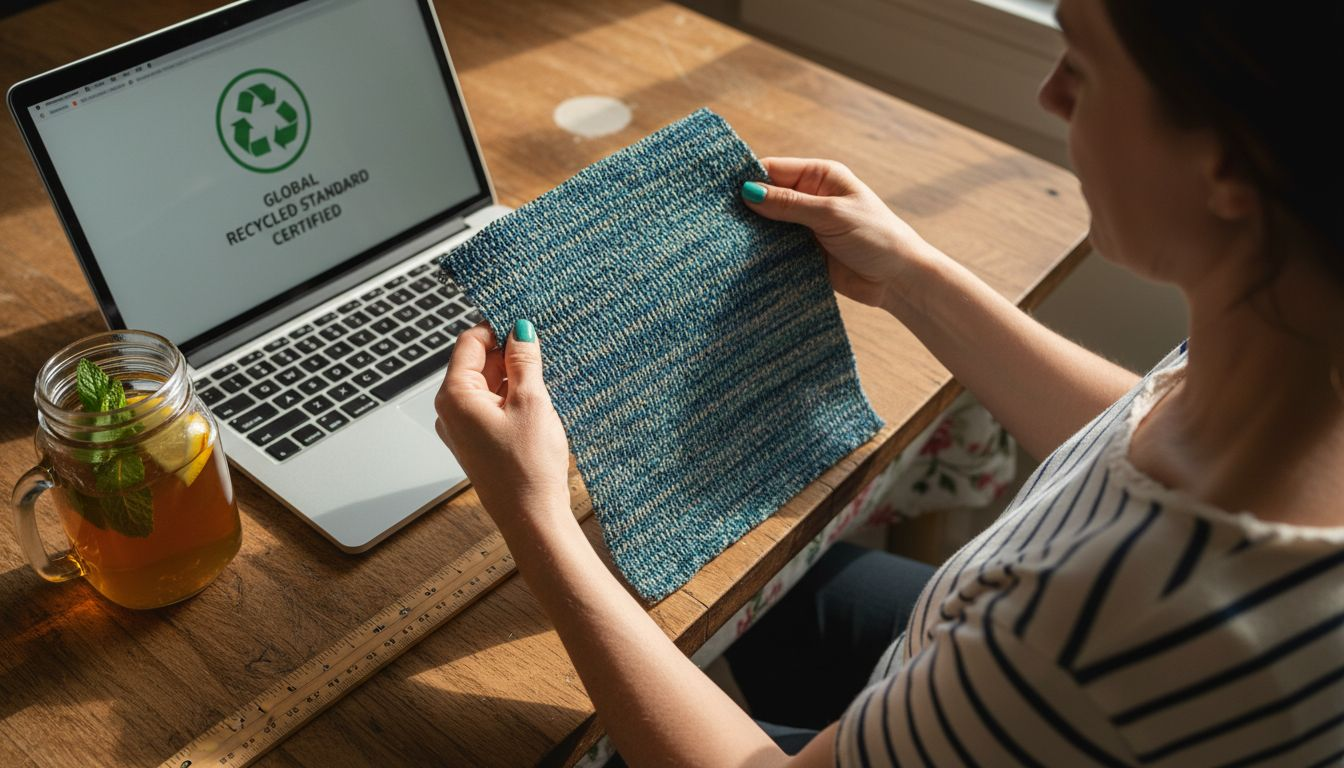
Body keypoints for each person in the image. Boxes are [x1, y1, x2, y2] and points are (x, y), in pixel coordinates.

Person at [433, 0, 1344, 764]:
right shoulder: (1296, 337)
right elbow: (1135, 433)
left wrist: (537, 517)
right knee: (793, 592)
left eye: (1086, 64)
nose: (1049, 90)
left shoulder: (1081, 639)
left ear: (1227, 162)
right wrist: (912, 274)